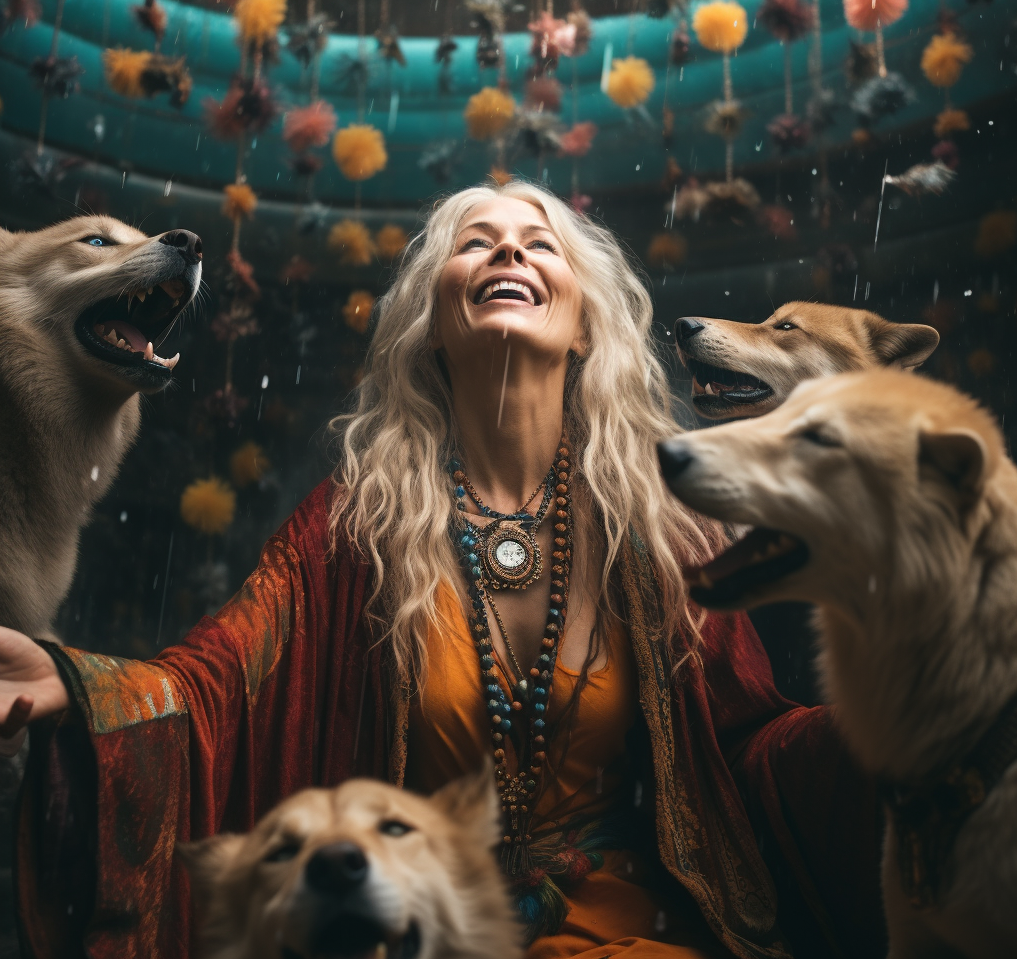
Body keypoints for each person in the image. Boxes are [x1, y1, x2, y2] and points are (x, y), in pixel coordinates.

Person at [3, 182, 883, 959]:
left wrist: (893, 727)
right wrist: (77, 687)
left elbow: (744, 754)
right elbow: (214, 693)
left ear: (585, 327)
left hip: (634, 932)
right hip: (419, 925)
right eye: (476, 241)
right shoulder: (354, 523)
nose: (509, 248)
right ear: (431, 325)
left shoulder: (666, 527)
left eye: (540, 243)